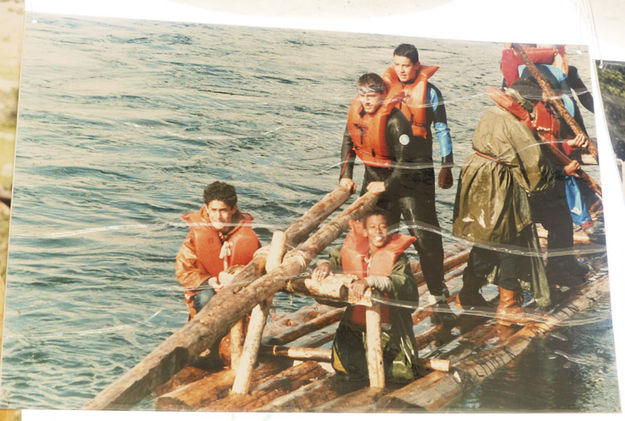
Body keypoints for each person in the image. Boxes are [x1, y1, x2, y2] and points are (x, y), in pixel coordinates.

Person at [453, 79, 579, 324]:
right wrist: (562, 172)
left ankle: (467, 294)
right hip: (499, 186)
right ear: (525, 102)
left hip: (476, 179)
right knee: (511, 238)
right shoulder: (515, 126)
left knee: (485, 237)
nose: (534, 107)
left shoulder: (492, 113)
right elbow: (536, 173)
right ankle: (508, 305)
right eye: (533, 103)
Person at [338, 69, 451, 320]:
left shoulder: (395, 121)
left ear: (382, 96)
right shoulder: (356, 114)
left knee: (422, 237)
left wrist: (386, 186)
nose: (366, 100)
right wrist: (345, 176)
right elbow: (348, 144)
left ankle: (438, 296)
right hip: (375, 177)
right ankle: (369, 289)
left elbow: (406, 163)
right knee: (368, 234)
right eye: (362, 95)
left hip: (406, 182)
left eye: (372, 95)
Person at [312, 208, 421, 382]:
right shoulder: (354, 249)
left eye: (383, 226)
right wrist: (325, 265)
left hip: (388, 329)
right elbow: (334, 259)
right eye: (372, 227)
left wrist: (370, 281)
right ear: (365, 231)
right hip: (354, 327)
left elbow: (402, 283)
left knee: (399, 375)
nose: (378, 231)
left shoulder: (399, 260)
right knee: (347, 369)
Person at [176, 181, 260, 320]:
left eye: (223, 210)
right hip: (206, 288)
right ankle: (206, 337)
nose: (218, 216)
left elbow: (258, 268)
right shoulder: (194, 237)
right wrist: (210, 282)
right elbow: (184, 270)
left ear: (233, 209)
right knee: (206, 297)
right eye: (214, 210)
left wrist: (236, 280)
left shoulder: (248, 235)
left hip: (237, 287)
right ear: (207, 208)